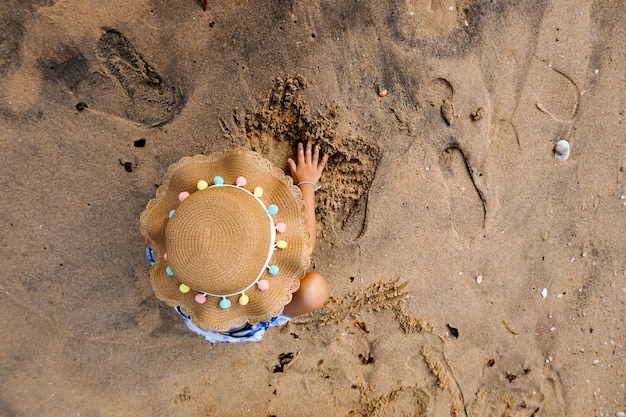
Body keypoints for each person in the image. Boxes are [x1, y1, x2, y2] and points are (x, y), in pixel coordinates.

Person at [140, 142, 328, 342]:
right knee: (314, 291)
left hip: (191, 294)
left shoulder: (178, 237)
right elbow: (306, 245)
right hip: (240, 325)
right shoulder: (259, 298)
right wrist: (306, 184)